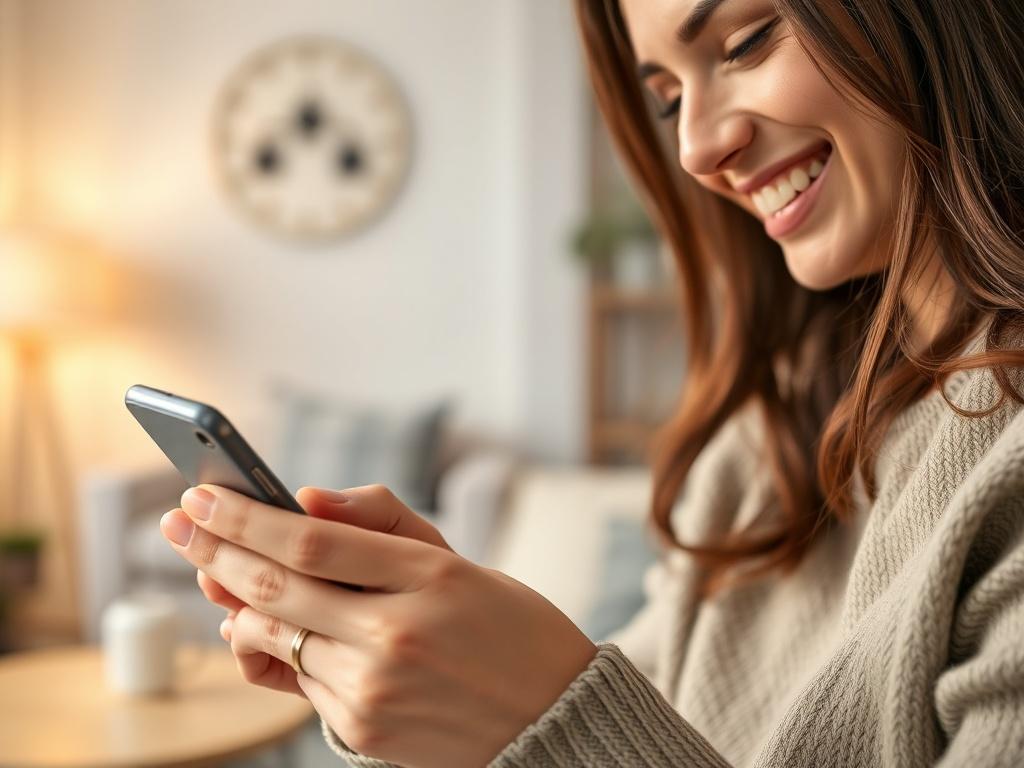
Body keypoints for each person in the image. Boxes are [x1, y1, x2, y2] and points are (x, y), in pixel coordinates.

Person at [159, 0, 1024, 765]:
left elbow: (599, 734)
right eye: (669, 99)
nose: (695, 148)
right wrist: (435, 706)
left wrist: (547, 720)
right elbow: (651, 712)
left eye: (748, 41)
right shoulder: (767, 437)